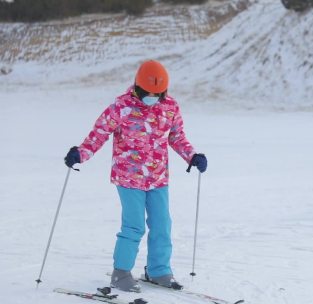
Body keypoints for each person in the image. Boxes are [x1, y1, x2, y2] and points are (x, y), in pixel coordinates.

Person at [63, 60, 208, 292]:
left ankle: (158, 271)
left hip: (158, 176)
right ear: (138, 87)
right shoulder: (121, 107)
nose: (153, 96)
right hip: (128, 178)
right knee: (134, 226)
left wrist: (192, 156)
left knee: (162, 224)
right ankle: (121, 273)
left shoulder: (170, 106)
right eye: (148, 93)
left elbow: (177, 137)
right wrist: (81, 153)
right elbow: (99, 134)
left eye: (158, 93)